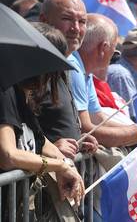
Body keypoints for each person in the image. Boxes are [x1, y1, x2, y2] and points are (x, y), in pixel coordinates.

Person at [0, 75, 85, 214]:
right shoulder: (5, 91)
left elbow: (41, 142)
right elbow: (8, 155)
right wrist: (60, 166)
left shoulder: (19, 94)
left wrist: (67, 165)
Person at [69, 14, 137, 148]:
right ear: (103, 48)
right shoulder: (74, 68)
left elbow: (98, 119)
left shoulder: (86, 71)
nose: (114, 58)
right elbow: (86, 129)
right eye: (115, 52)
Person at [31, 22, 98, 159]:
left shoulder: (60, 76)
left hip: (65, 167)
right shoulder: (26, 87)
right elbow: (18, 140)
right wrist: (51, 148)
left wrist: (79, 140)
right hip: (42, 173)